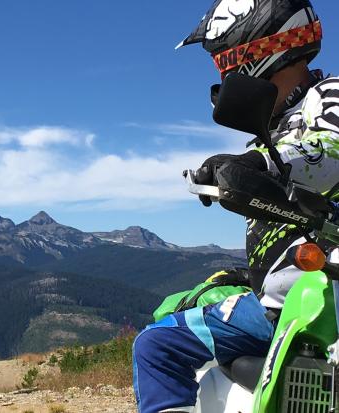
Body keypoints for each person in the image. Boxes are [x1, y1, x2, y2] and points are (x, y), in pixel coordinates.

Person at [132, 0, 339, 412]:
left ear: (257, 52)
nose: (224, 76)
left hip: (323, 304)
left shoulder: (328, 95)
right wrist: (248, 275)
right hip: (280, 305)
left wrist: (257, 163)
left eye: (225, 62)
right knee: (163, 326)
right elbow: (297, 225)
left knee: (156, 348)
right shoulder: (276, 129)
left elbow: (330, 148)